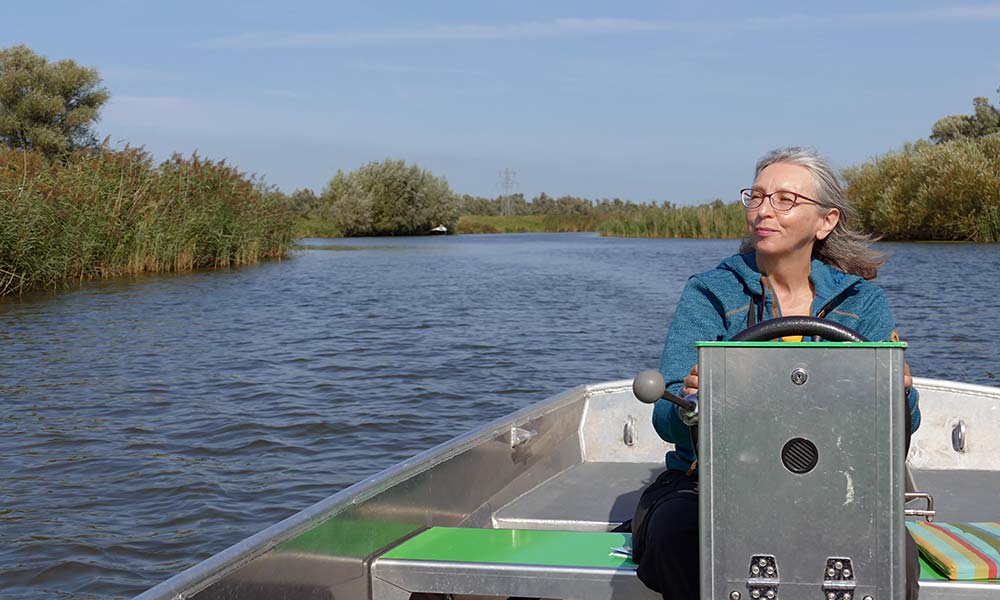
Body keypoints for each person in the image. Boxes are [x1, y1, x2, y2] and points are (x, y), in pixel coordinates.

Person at [632, 147, 921, 599]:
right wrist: (692, 403)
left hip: (830, 487)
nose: (764, 210)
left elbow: (899, 431)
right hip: (709, 486)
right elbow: (666, 418)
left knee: (894, 553)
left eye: (785, 199)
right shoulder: (710, 291)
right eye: (758, 196)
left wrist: (898, 392)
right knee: (674, 537)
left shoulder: (861, 303)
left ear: (825, 221)